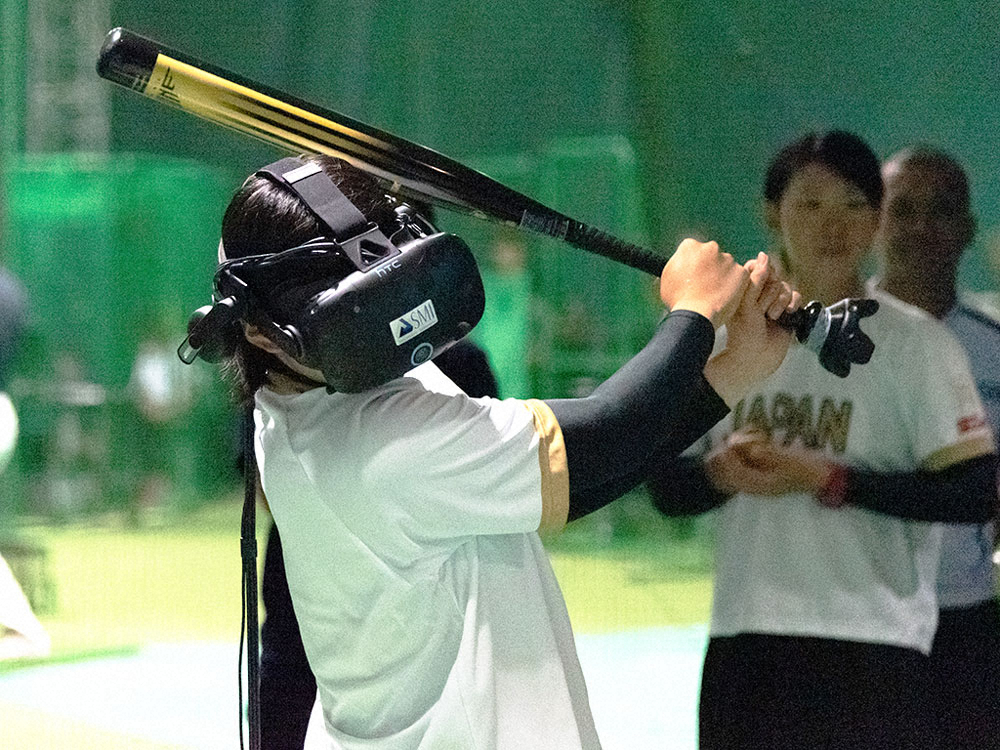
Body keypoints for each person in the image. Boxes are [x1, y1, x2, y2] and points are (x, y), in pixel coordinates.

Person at [206, 153, 800, 748]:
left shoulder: (307, 396)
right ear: (261, 332)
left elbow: (566, 482)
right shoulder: (383, 440)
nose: (383, 321)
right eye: (349, 310)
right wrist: (693, 312)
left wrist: (734, 370)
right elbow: (606, 433)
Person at [648, 131, 998, 749]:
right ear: (772, 212)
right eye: (809, 203)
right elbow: (666, 487)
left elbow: (971, 492)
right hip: (747, 639)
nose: (830, 225)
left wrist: (827, 478)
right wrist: (720, 473)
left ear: (877, 220)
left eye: (853, 205)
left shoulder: (919, 345)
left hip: (878, 646)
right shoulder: (728, 337)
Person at [259, 337, 501, 750]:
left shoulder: (459, 360)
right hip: (302, 597)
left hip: (420, 599)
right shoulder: (288, 356)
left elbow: (487, 471)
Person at [874, 145, 1000, 748]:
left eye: (942, 210)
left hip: (966, 616)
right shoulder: (829, 336)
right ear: (876, 221)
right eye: (903, 209)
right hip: (860, 617)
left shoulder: (993, 347)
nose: (922, 227)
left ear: (967, 229)